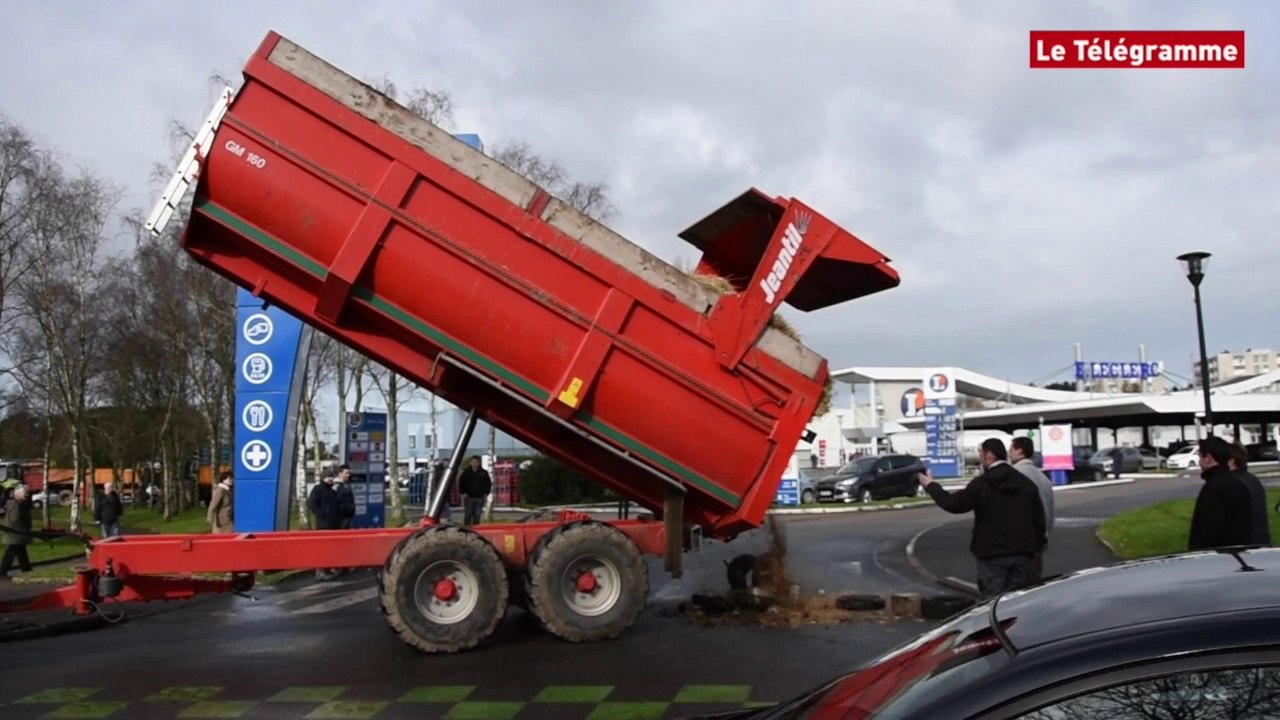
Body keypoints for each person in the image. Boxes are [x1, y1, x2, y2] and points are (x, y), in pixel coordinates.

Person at [919, 438, 1047, 598]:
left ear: (989, 455)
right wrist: (1036, 549)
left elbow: (953, 504)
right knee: (1018, 602)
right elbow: (1039, 520)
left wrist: (930, 485)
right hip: (1023, 555)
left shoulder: (983, 484)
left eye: (981, 454)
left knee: (992, 603)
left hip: (991, 555)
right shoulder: (1026, 484)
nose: (980, 459)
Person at [1188, 436, 1269, 550]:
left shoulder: (1218, 486)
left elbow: (1207, 531)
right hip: (1258, 549)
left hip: (1227, 554)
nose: (1199, 462)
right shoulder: (1251, 480)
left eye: (1200, 457)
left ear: (1208, 458)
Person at [1010, 437, 1055, 578]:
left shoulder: (1012, 475)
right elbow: (1050, 513)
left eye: (1011, 450)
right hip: (1039, 543)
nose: (1009, 454)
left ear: (1019, 451)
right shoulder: (1043, 478)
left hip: (1017, 545)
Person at [308, 473, 341, 580]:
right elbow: (312, 504)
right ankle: (320, 571)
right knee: (323, 548)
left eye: (332, 477)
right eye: (328, 477)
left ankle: (328, 568)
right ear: (323, 478)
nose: (330, 479)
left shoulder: (333, 492)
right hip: (323, 524)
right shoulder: (317, 489)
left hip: (334, 524)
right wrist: (322, 513)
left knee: (331, 548)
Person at [0, 484, 33, 579]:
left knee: (21, 551)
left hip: (16, 532)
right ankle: (2, 572)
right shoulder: (16, 505)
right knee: (12, 551)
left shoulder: (19, 504)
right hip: (15, 533)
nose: (27, 495)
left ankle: (26, 569)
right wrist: (23, 530)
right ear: (18, 494)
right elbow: (15, 519)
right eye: (25, 493)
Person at [458, 455, 492, 526]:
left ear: (479, 463)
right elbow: (461, 483)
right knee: (468, 514)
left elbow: (488, 483)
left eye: (476, 462)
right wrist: (463, 492)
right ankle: (466, 528)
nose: (474, 463)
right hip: (469, 497)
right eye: (473, 462)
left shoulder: (483, 473)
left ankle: (476, 528)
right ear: (470, 463)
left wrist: (486, 493)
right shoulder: (466, 472)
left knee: (477, 515)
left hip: (480, 497)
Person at [334, 465, 356, 530]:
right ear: (340, 474)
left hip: (348, 516)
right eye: (346, 473)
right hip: (339, 517)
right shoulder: (335, 485)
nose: (348, 475)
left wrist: (352, 510)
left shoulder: (347, 485)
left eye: (349, 473)